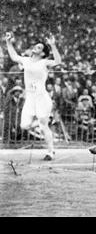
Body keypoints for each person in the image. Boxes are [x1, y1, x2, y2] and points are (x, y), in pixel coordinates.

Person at [4, 32, 62, 160]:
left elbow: (58, 61)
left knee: (43, 126)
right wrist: (8, 42)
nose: (36, 47)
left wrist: (52, 45)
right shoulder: (26, 60)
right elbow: (14, 56)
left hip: (42, 97)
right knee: (24, 125)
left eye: (40, 47)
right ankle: (44, 121)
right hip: (30, 98)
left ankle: (50, 152)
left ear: (42, 53)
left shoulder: (44, 62)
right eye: (36, 46)